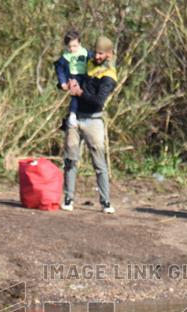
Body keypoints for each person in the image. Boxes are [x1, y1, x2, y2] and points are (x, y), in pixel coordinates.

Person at [61, 36, 117, 214]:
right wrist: (65, 82)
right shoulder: (89, 60)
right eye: (96, 52)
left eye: (101, 54)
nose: (97, 56)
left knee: (99, 164)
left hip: (94, 119)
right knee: (70, 159)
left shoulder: (109, 76)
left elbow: (98, 102)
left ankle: (105, 202)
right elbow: (70, 63)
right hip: (75, 117)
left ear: (109, 54)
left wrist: (80, 93)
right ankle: (68, 198)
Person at [54, 29, 93, 129]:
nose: (72, 49)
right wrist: (63, 82)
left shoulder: (86, 53)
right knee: (75, 96)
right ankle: (72, 115)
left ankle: (87, 114)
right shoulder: (66, 56)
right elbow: (60, 69)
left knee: (86, 95)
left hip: (85, 77)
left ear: (80, 43)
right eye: (69, 46)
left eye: (74, 46)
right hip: (73, 77)